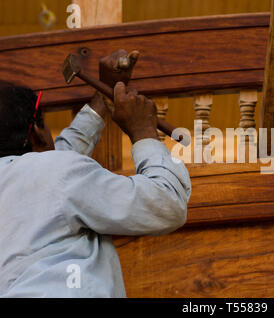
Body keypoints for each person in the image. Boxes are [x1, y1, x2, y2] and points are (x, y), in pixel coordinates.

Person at [0, 50, 191, 297]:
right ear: (36, 133)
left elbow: (54, 164)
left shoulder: (35, 177)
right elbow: (167, 203)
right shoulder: (54, 172)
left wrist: (104, 93)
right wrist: (144, 132)